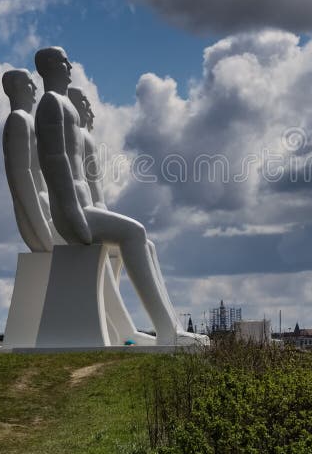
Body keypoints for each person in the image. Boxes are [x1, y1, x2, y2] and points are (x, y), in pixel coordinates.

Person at [35, 47, 204, 345]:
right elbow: (54, 161)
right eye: (64, 61)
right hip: (72, 210)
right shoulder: (50, 104)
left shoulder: (62, 105)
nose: (70, 65)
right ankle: (167, 332)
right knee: (135, 232)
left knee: (145, 243)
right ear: (50, 65)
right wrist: (73, 214)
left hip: (81, 206)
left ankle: (170, 326)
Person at [1, 69, 55, 253]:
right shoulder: (19, 120)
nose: (35, 88)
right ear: (17, 86)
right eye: (30, 83)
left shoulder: (28, 121)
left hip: (45, 209)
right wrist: (42, 230)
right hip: (37, 214)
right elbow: (21, 176)